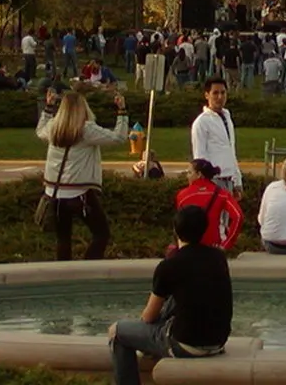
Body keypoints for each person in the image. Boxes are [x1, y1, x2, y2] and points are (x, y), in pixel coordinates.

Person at [108, 204, 232, 385]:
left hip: (185, 344)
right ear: (205, 229)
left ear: (175, 230)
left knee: (117, 332)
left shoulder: (170, 265)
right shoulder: (218, 257)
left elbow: (148, 317)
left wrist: (142, 329)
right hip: (217, 342)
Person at [36, 88, 130, 261]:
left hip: (53, 193)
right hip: (79, 193)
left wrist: (48, 108)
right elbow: (119, 137)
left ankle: (65, 277)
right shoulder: (86, 130)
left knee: (63, 240)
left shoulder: (53, 128)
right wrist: (122, 112)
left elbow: (39, 130)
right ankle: (89, 268)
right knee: (101, 234)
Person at [176, 158, 244, 249]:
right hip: (213, 247)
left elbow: (179, 223)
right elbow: (238, 216)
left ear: (199, 174)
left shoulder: (182, 196)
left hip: (189, 248)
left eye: (189, 172)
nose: (187, 176)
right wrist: (227, 243)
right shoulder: (221, 194)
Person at [190, 77, 242, 193]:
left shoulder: (227, 117)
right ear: (207, 95)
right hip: (213, 182)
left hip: (229, 181)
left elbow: (231, 150)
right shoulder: (201, 122)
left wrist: (237, 181)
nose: (220, 97)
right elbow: (199, 157)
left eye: (223, 93)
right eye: (215, 93)